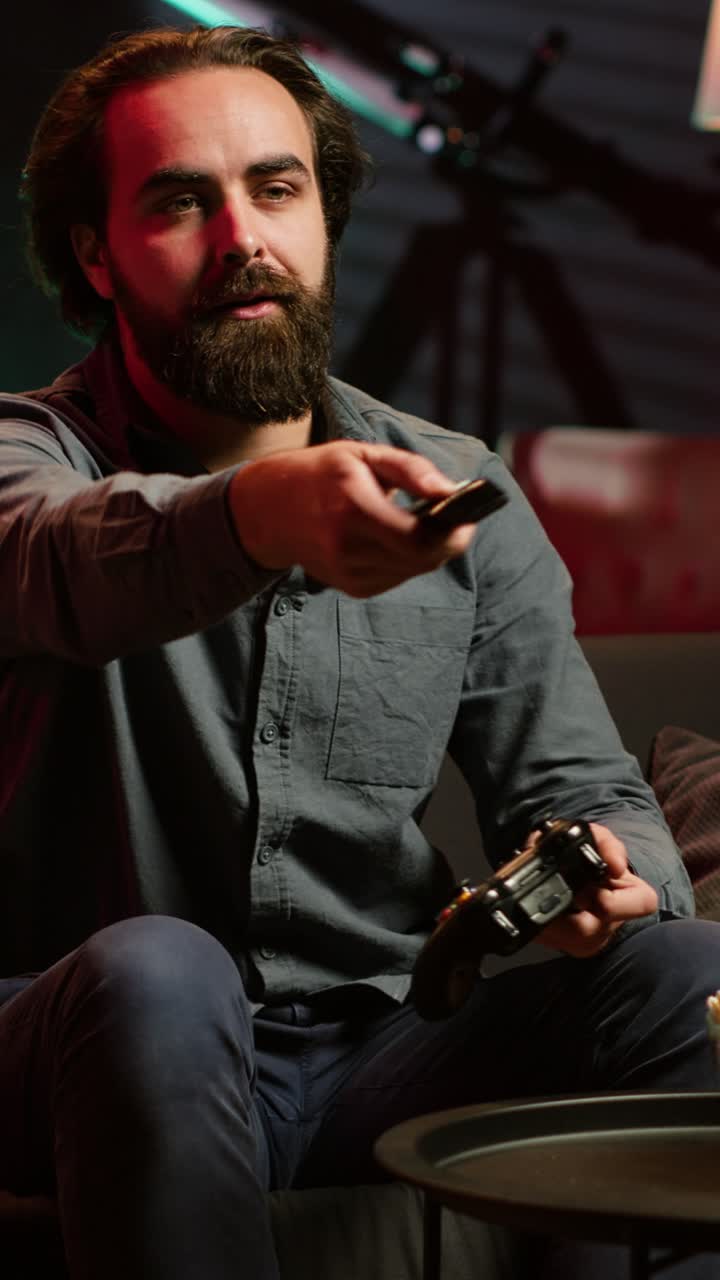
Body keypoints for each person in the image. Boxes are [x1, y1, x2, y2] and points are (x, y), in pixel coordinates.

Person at [0, 23, 717, 1280]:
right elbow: (64, 558)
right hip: (77, 1038)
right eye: (181, 201)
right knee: (164, 969)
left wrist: (628, 872)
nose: (243, 241)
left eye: (278, 189)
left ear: (325, 214)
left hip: (377, 1052)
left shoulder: (463, 488)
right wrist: (267, 511)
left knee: (679, 965)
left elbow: (585, 787)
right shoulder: (24, 464)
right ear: (95, 255)